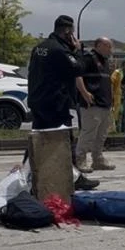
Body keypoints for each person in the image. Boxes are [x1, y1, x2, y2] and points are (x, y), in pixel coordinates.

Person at [27, 15, 99, 191]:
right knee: (64, 141)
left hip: (38, 101)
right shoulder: (59, 50)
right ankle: (73, 178)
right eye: (72, 32)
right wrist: (78, 50)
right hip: (55, 103)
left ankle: (31, 176)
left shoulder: (39, 47)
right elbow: (78, 68)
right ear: (67, 31)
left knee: (40, 141)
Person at [74, 37, 116, 172]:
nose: (110, 49)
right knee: (88, 134)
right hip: (92, 104)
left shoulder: (105, 61)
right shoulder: (88, 58)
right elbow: (77, 75)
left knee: (101, 135)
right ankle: (80, 160)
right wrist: (84, 93)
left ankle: (98, 160)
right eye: (108, 46)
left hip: (105, 104)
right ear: (98, 45)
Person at [109, 62, 123, 134]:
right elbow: (112, 82)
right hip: (117, 95)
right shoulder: (117, 72)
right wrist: (111, 95)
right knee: (116, 112)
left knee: (120, 112)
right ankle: (115, 128)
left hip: (123, 96)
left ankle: (120, 128)